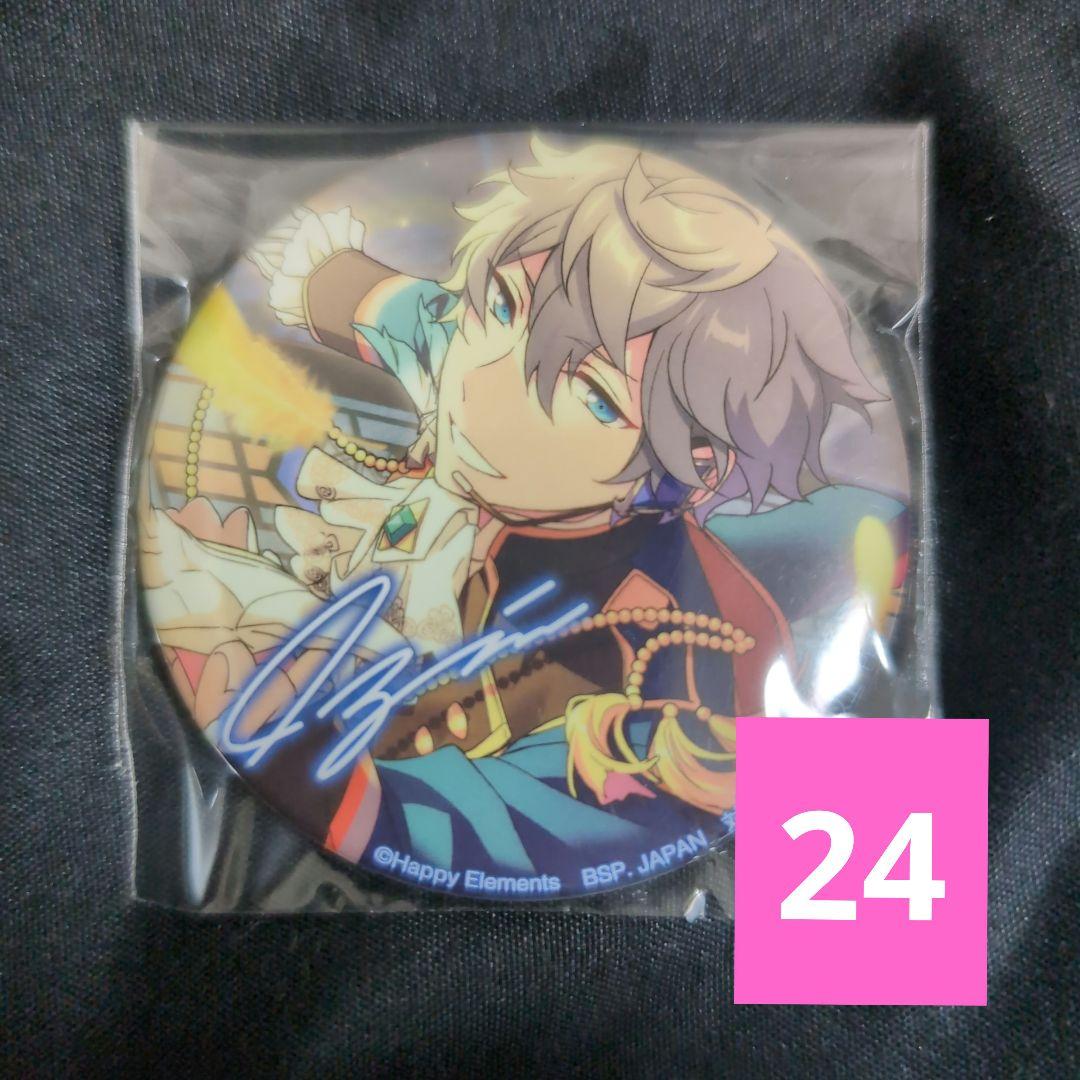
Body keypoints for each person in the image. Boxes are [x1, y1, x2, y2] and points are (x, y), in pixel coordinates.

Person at [140, 139, 903, 885]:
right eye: (503, 304)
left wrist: (288, 738)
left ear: (693, 470)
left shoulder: (683, 640)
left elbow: (524, 809)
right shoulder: (464, 337)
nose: (483, 389)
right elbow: (375, 301)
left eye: (595, 396)